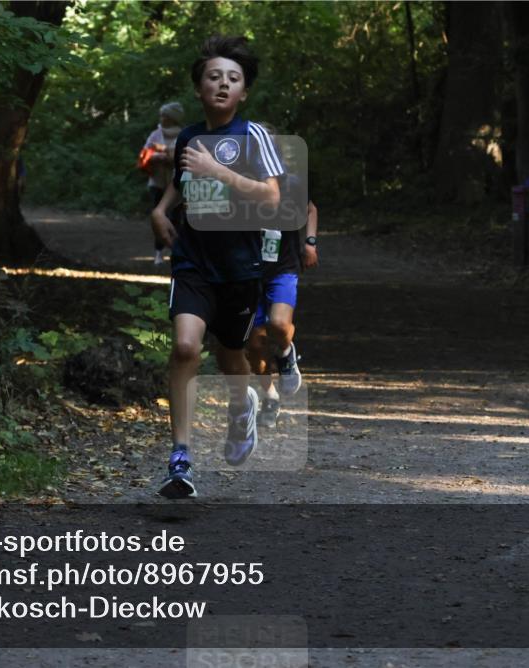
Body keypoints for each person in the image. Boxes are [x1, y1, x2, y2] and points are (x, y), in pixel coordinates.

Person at [150, 35, 283, 498]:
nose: (223, 84)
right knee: (186, 348)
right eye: (214, 77)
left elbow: (271, 196)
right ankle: (180, 458)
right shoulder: (188, 137)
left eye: (233, 78)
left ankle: (242, 406)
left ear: (243, 92)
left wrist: (218, 171)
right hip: (193, 262)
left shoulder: (254, 136)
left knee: (232, 358)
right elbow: (181, 184)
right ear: (200, 89)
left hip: (241, 267)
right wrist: (160, 210)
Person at [245, 125, 319, 428]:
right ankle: (270, 397)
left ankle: (287, 353)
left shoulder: (291, 183)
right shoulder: (236, 184)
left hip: (283, 267)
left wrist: (310, 242)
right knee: (255, 345)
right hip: (246, 274)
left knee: (278, 325)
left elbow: (310, 209)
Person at [142, 102, 184, 264]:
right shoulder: (155, 134)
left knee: (176, 218)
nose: (161, 118)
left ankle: (176, 251)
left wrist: (171, 158)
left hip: (176, 184)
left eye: (164, 115)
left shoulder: (183, 135)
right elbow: (145, 153)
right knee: (158, 217)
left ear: (172, 118)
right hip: (157, 182)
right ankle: (158, 253)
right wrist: (156, 157)